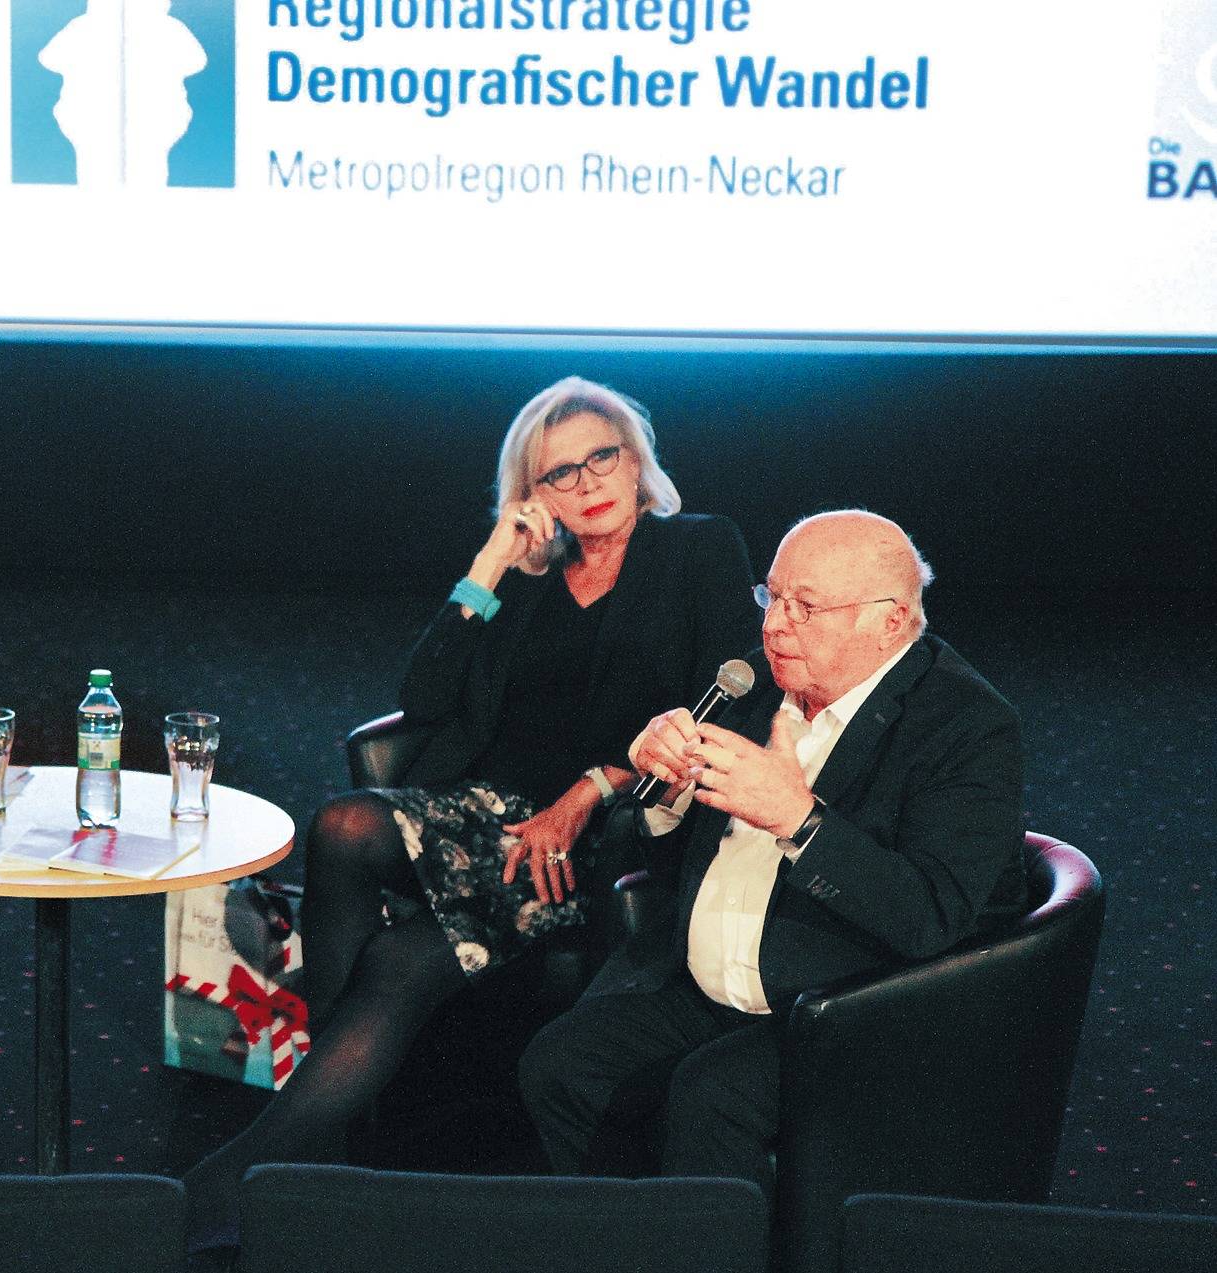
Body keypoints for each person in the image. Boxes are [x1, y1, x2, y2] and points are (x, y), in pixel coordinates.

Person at [184, 376, 759, 1248]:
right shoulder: (530, 576)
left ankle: (260, 1169)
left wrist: (592, 787)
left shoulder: (697, 550)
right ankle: (319, 1145)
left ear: (636, 459)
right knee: (342, 827)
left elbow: (720, 708)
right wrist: (491, 560)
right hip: (480, 810)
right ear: (534, 494)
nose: (587, 482)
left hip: (603, 829)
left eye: (602, 456)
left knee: (404, 959)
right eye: (558, 473)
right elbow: (423, 696)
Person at [517, 509, 1026, 1200]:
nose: (774, 624)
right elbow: (657, 863)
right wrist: (664, 796)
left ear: (888, 620)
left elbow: (930, 914)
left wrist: (797, 817)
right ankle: (629, 1240)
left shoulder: (965, 725)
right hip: (704, 984)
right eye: (771, 596)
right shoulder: (752, 683)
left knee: (711, 1097)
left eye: (804, 605)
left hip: (840, 1005)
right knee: (560, 1062)